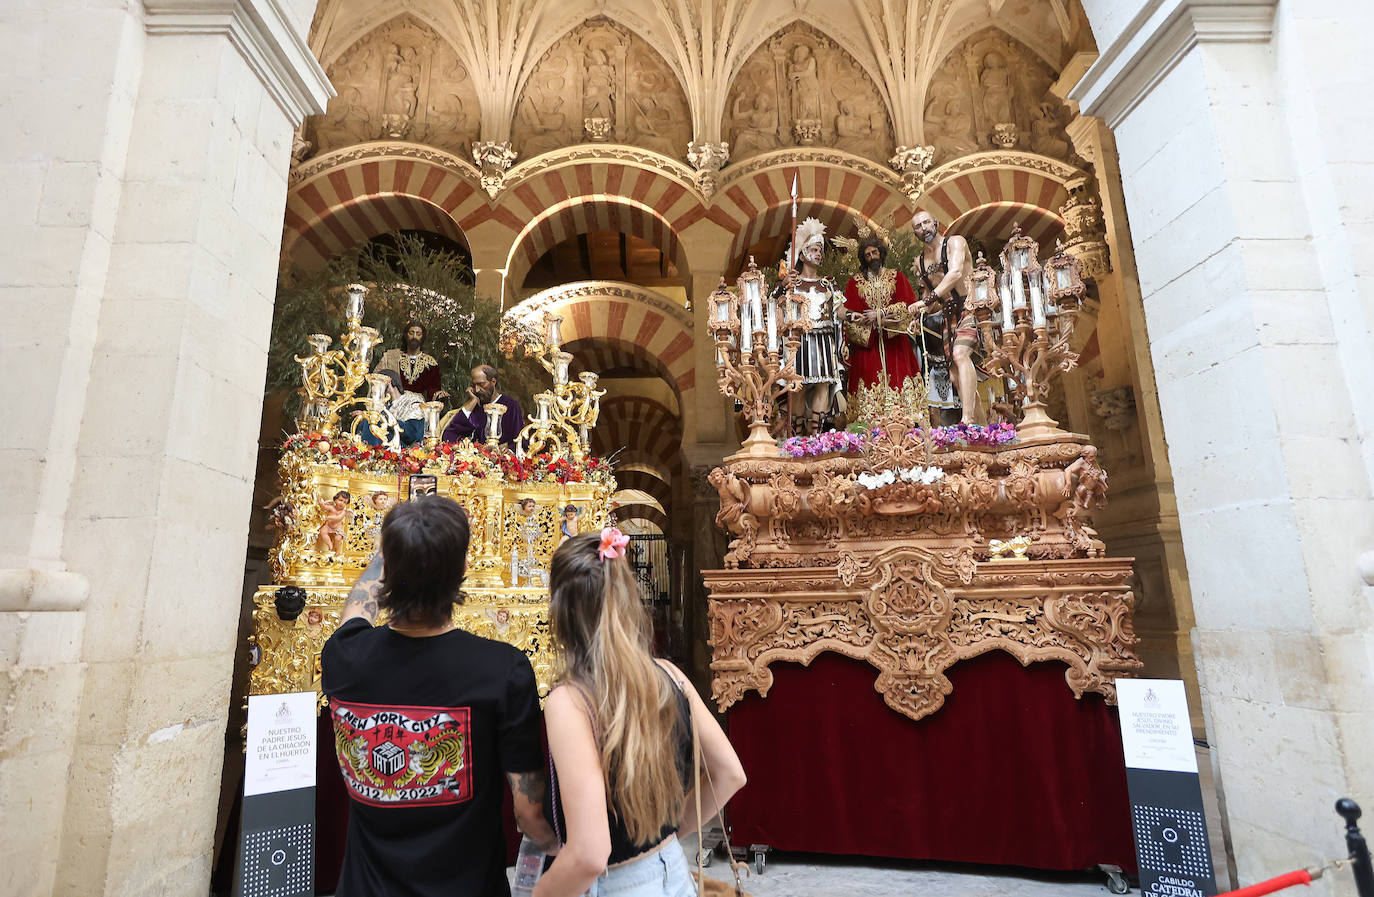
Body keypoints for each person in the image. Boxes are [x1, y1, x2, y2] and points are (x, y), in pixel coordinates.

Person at [322, 497, 556, 897]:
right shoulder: (502, 671)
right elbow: (527, 811)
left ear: (389, 571)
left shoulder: (345, 656)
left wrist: (391, 555)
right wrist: (561, 849)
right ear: (464, 570)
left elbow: (357, 610)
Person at [534, 530, 747, 897]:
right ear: (628, 597)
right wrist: (666, 835)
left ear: (560, 609)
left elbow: (588, 854)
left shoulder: (570, 701)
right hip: (672, 871)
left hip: (614, 884)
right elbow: (730, 773)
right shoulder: (671, 675)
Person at [911, 210, 978, 424]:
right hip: (948, 315)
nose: (924, 228)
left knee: (960, 355)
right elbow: (928, 299)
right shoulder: (919, 262)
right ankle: (980, 426)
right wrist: (918, 317)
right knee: (954, 375)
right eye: (918, 226)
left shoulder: (954, 242)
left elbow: (955, 273)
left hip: (970, 305)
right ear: (915, 233)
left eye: (927, 222)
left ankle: (966, 420)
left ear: (936, 222)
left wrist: (926, 301)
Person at [783, 217, 846, 434]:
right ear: (802, 254)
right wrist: (783, 288)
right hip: (799, 340)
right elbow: (777, 309)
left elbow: (839, 310)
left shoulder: (828, 283)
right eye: (814, 249)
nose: (819, 254)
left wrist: (855, 316)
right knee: (799, 386)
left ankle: (816, 435)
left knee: (823, 384)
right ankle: (797, 434)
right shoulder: (792, 284)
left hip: (824, 340)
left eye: (821, 250)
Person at [842, 235, 922, 395]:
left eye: (874, 252)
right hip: (868, 348)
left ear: (881, 253)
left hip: (895, 344)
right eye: (868, 254)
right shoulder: (855, 282)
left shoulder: (897, 277)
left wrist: (882, 315)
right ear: (863, 258)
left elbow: (909, 306)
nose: (872, 257)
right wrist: (872, 322)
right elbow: (849, 317)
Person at [442, 365, 525, 448]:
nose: (477, 389)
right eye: (474, 385)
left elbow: (519, 439)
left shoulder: (511, 405)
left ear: (493, 382)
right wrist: (473, 401)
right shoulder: (474, 406)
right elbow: (450, 435)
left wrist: (509, 450)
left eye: (481, 384)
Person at [374, 321, 448, 403]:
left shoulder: (430, 362)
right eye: (411, 333)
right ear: (406, 335)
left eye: (418, 334)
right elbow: (377, 377)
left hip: (417, 405)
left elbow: (433, 388)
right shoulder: (392, 357)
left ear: (422, 337)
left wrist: (438, 394)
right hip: (395, 400)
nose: (414, 336)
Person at [360, 369, 426, 447]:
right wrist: (364, 416)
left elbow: (412, 435)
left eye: (378, 386)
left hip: (400, 451)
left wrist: (383, 416)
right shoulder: (385, 407)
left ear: (389, 383)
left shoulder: (412, 402)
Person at [316, 491, 352, 555]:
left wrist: (328, 518)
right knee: (323, 532)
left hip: (337, 529)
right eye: (340, 500)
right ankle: (329, 544)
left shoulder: (343, 512)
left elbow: (338, 518)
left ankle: (338, 550)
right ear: (335, 500)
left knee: (338, 539)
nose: (342, 503)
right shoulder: (331, 507)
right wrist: (321, 503)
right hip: (328, 526)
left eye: (345, 502)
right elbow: (324, 507)